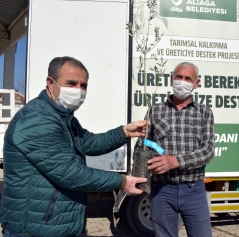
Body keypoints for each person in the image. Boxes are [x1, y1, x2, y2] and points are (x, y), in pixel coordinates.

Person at [0, 56, 147, 237]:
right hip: (37, 228)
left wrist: (124, 132)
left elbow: (89, 142)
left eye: (83, 85)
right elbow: (70, 173)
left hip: (55, 225)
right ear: (50, 82)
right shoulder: (37, 120)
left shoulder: (63, 116)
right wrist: (121, 182)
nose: (78, 90)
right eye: (71, 83)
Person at [135, 62, 215, 237]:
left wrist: (176, 161)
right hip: (162, 190)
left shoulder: (204, 113)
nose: (182, 81)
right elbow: (143, 145)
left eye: (188, 78)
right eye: (179, 77)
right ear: (172, 78)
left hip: (194, 190)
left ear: (196, 84)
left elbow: (208, 150)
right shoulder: (154, 111)